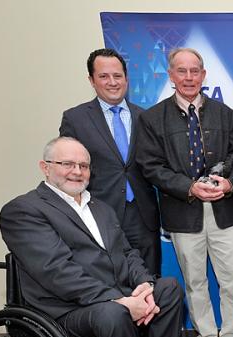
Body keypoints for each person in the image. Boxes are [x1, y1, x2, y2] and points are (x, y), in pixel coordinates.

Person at [0, 137, 196, 337]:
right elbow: (57, 272)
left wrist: (143, 284)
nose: (77, 171)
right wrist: (120, 300)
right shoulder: (23, 211)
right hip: (65, 311)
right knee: (112, 314)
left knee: (167, 289)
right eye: (67, 164)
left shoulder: (101, 207)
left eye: (84, 165)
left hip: (113, 296)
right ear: (45, 167)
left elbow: (127, 253)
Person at [135, 48, 233, 337]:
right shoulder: (153, 118)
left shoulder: (225, 114)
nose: (189, 77)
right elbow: (151, 166)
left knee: (231, 279)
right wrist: (189, 187)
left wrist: (229, 183)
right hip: (183, 212)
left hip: (223, 211)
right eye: (181, 71)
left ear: (203, 74)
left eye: (195, 70)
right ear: (170, 75)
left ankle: (232, 336)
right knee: (195, 280)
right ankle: (206, 335)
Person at [59, 48, 161, 275]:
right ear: (91, 80)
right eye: (104, 76)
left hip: (143, 218)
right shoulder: (75, 119)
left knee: (150, 283)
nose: (112, 82)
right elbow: (66, 170)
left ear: (126, 78)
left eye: (117, 76)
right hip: (99, 216)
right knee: (110, 286)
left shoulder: (146, 116)